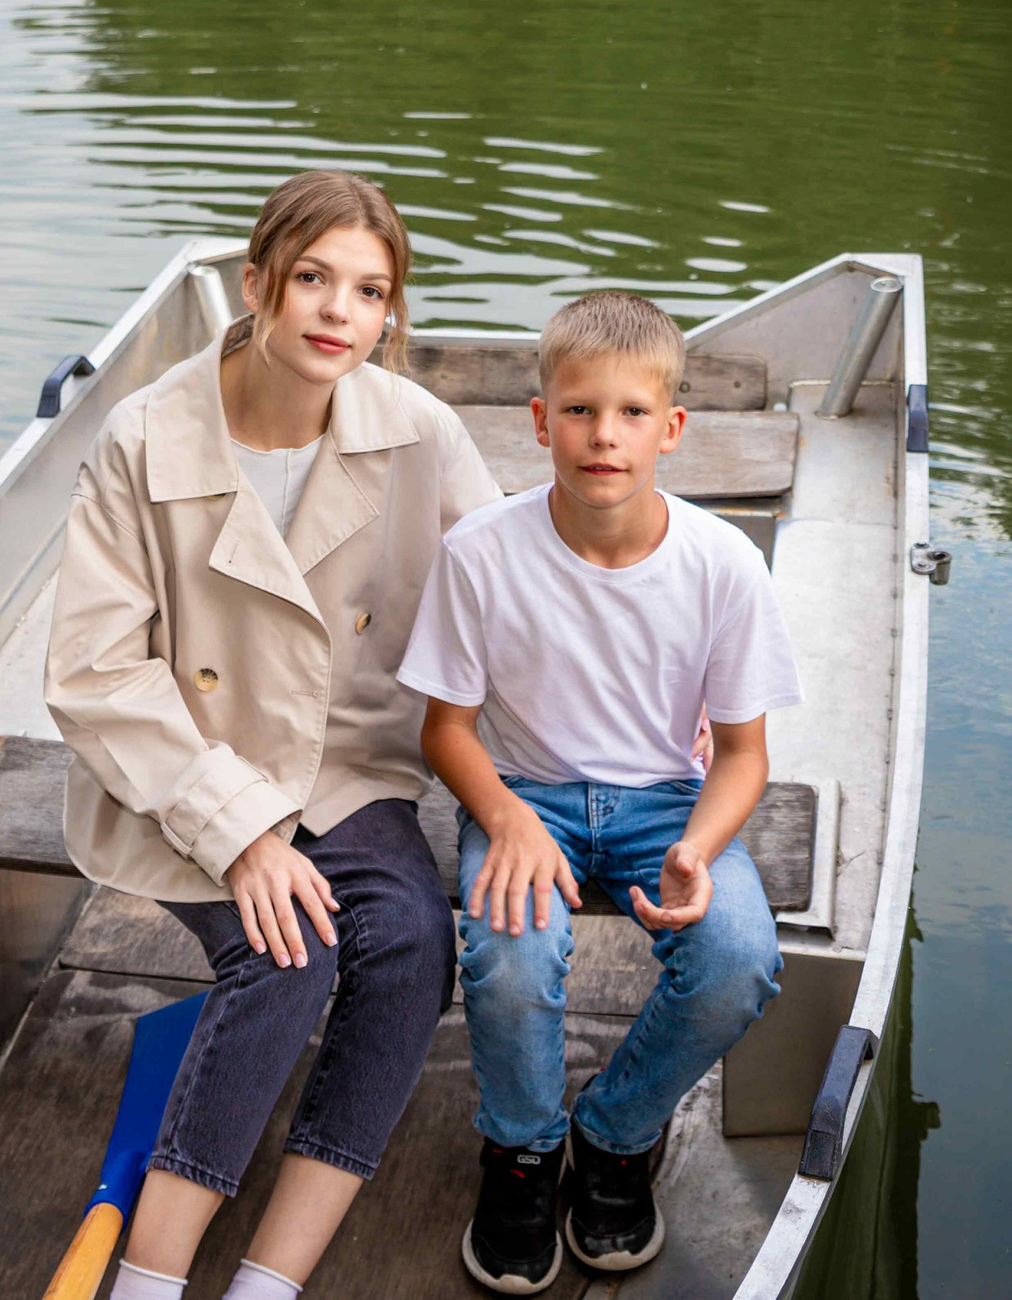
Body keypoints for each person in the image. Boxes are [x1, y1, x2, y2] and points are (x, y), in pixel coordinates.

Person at [44, 170, 500, 1300]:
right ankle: (149, 1277)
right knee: (292, 949)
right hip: (184, 774)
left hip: (348, 774)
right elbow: (93, 674)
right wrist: (242, 831)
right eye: (311, 279)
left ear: (390, 314)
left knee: (407, 948)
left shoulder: (421, 433)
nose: (338, 311)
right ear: (257, 285)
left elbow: (511, 599)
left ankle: (270, 1278)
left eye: (369, 290)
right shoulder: (143, 441)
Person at [401, 290, 801, 1294]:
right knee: (507, 952)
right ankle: (523, 1152)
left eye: (629, 413)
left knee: (739, 956)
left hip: (666, 799)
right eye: (577, 410)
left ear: (670, 428)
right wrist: (502, 820)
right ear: (541, 422)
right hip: (523, 794)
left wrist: (699, 847)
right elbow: (444, 730)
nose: (602, 436)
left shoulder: (721, 567)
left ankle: (615, 1134)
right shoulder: (481, 553)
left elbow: (744, 756)